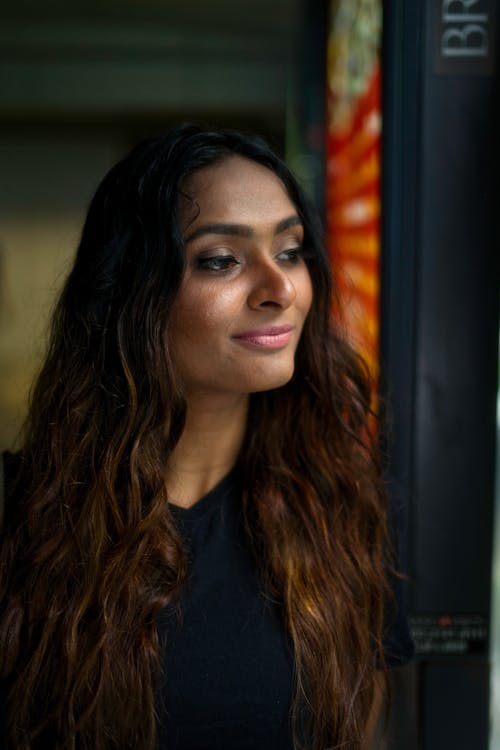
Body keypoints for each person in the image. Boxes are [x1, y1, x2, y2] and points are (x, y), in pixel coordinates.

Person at [0, 124, 413, 750]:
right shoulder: (18, 517)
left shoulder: (344, 514)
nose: (280, 291)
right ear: (131, 293)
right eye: (222, 260)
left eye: (291, 251)